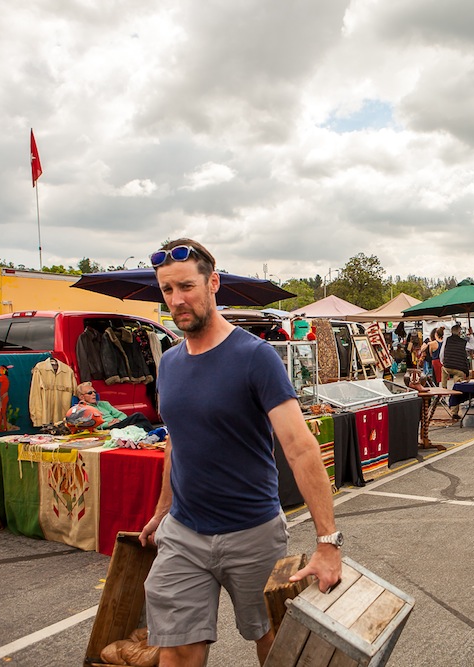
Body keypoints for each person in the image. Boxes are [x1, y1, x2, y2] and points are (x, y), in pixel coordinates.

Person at [139, 239, 341, 666]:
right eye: (167, 290)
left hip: (252, 532)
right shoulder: (169, 363)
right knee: (176, 647)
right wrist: (163, 508)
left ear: (214, 283)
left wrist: (327, 542)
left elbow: (301, 448)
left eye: (187, 287)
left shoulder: (255, 357)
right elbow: (177, 438)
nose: (177, 300)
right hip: (184, 535)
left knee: (272, 640)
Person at [74, 382, 154, 431]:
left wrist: (118, 420)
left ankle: (154, 434)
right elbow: (89, 424)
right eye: (90, 393)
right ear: (81, 397)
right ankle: (155, 434)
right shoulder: (83, 409)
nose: (94, 394)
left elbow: (122, 415)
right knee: (138, 416)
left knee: (140, 423)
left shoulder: (104, 404)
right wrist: (107, 424)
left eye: (94, 392)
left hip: (117, 424)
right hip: (106, 428)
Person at [440, 323, 472, 419]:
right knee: (457, 388)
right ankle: (454, 412)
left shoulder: (447, 340)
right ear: (459, 332)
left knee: (444, 373)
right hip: (459, 368)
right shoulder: (463, 342)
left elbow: (442, 353)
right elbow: (472, 346)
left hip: (446, 366)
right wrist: (471, 335)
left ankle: (443, 393)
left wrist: (444, 363)